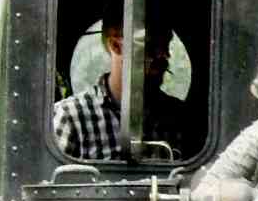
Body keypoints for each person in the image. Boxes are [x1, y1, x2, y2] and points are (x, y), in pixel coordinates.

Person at [52, 13, 197, 162]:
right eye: (152, 46)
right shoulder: (69, 118)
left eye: (165, 45)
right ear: (115, 45)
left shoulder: (181, 118)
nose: (164, 55)